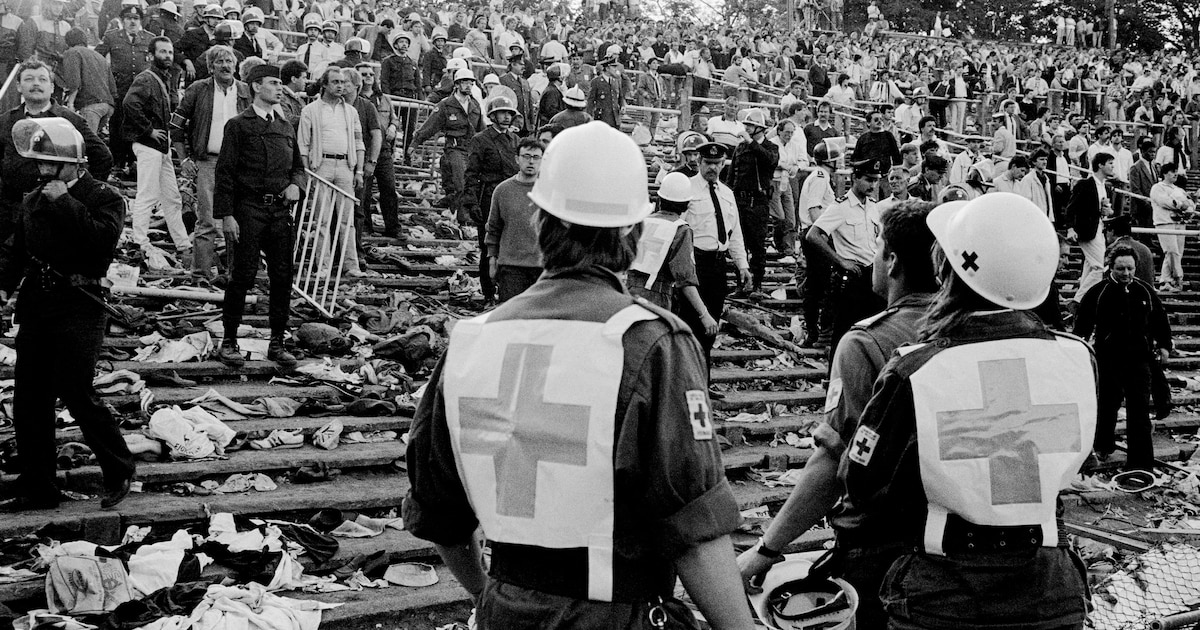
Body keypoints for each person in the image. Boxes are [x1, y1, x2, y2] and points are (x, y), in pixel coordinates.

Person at [404, 121, 754, 630]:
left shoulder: (470, 339)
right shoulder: (652, 342)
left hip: (506, 608)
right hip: (615, 613)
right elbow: (694, 530)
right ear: (633, 232)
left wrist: (489, 598)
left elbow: (438, 512)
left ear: (540, 219)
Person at [843, 193, 1094, 630]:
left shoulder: (915, 368)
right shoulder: (1079, 357)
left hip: (945, 595)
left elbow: (862, 483)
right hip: (1051, 593)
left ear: (946, 270)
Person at [737, 200, 938, 630]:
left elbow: (834, 462)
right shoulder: (972, 333)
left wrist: (767, 550)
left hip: (884, 554)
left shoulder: (867, 343)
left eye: (879, 245)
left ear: (894, 261)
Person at [0, 117, 134, 512]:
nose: (41, 171)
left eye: (48, 164)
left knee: (76, 391)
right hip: (39, 305)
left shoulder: (103, 197)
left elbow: (99, 246)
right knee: (30, 399)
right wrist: (3, 283)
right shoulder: (33, 198)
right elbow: (17, 248)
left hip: (80, 304)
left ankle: (119, 468)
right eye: (38, 164)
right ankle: (39, 487)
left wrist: (66, 202)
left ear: (73, 163)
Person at [213, 63, 304, 369]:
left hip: (279, 212)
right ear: (255, 87)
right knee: (242, 276)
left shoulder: (286, 126)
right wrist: (226, 215)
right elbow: (224, 173)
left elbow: (298, 168)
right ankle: (228, 342)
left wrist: (295, 186)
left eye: (281, 83)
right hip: (248, 210)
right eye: (274, 83)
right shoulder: (238, 125)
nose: (280, 88)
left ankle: (277, 343)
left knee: (281, 277)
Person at [1075, 244, 1171, 471]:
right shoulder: (1098, 292)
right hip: (1108, 360)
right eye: (1120, 269)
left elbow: (1160, 320)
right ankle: (1102, 446)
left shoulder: (1145, 291)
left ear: (1136, 267)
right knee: (1107, 406)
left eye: (1130, 268)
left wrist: (1165, 346)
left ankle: (1140, 463)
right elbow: (1083, 326)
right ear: (1111, 267)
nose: (1126, 273)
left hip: (1140, 360)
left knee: (1139, 412)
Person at [0, 60, 111, 244]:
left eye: (42, 79)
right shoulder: (5, 122)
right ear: (19, 86)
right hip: (11, 213)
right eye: (29, 79)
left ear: (52, 87)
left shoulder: (70, 120)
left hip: (53, 212)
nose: (36, 83)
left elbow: (103, 157)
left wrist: (80, 194)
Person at [172, 45, 249, 280]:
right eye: (219, 62)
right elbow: (176, 125)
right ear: (211, 66)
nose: (225, 65)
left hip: (240, 164)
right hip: (208, 162)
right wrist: (184, 157)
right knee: (206, 220)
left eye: (229, 61)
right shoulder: (198, 89)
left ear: (236, 66)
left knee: (238, 219)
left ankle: (236, 276)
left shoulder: (245, 91)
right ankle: (200, 275)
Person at [683, 140, 751, 375]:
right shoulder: (687, 189)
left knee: (711, 327)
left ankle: (704, 380)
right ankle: (689, 380)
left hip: (718, 265)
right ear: (699, 162)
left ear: (724, 164)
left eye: (717, 163)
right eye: (708, 163)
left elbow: (735, 233)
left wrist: (742, 265)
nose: (713, 168)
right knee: (693, 323)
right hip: (694, 263)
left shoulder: (727, 193)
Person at [806, 159, 887, 357]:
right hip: (852, 278)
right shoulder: (841, 206)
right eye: (868, 180)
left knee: (871, 336)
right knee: (843, 336)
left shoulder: (873, 206)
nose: (873, 185)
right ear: (855, 178)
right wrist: (840, 261)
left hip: (872, 276)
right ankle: (834, 382)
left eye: (876, 181)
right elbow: (813, 235)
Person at [124, 36, 192, 260]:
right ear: (151, 56)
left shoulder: (165, 78)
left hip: (160, 148)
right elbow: (129, 104)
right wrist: (148, 131)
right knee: (147, 194)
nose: (168, 56)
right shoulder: (146, 78)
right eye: (163, 52)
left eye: (170, 52)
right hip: (148, 145)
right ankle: (139, 241)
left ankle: (182, 243)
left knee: (172, 197)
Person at [298, 67, 366, 277]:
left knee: (348, 220)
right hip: (322, 166)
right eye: (335, 82)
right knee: (322, 220)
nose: (341, 86)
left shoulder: (351, 111)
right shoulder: (310, 110)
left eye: (343, 82)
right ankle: (324, 266)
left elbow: (358, 142)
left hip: (346, 166)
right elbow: (303, 144)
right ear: (324, 85)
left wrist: (359, 171)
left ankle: (351, 266)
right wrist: (307, 170)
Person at [629, 171, 711, 334]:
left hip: (629, 291)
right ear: (686, 203)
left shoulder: (643, 221)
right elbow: (685, 279)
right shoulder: (681, 230)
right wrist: (704, 314)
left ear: (661, 198)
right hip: (657, 297)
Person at [409, 68, 484, 224]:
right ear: (456, 84)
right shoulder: (446, 105)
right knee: (461, 183)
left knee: (472, 184)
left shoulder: (475, 104)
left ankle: (464, 215)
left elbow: (481, 129)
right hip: (454, 148)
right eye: (464, 82)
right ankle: (463, 218)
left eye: (471, 83)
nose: (468, 86)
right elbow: (430, 126)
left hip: (471, 149)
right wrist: (414, 144)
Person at [464, 93, 519, 303]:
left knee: (510, 246)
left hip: (511, 197)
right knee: (489, 248)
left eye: (508, 113)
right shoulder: (481, 140)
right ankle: (488, 293)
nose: (506, 117)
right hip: (488, 197)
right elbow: (470, 174)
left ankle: (507, 293)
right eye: (501, 113)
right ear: (492, 116)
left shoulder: (515, 140)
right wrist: (471, 202)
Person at [484, 137, 543, 302]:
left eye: (536, 157)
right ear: (517, 159)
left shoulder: (549, 191)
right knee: (511, 318)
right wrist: (492, 259)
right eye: (526, 156)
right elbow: (494, 228)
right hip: (511, 266)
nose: (531, 161)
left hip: (542, 266)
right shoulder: (503, 190)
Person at [729, 108, 778, 294]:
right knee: (739, 244)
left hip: (758, 202)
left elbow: (769, 161)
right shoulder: (741, 147)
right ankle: (740, 284)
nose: (746, 128)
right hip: (740, 201)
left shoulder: (771, 147)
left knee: (757, 246)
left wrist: (751, 143)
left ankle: (757, 285)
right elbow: (733, 174)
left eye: (750, 125)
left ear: (760, 128)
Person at [797, 140, 840, 349]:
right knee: (818, 286)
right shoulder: (820, 177)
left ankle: (816, 331)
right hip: (817, 235)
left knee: (819, 284)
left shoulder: (820, 177)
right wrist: (825, 235)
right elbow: (815, 211)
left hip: (816, 234)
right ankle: (814, 332)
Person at [342, 67, 381, 268]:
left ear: (356, 86)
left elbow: (376, 135)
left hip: (359, 166)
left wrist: (371, 162)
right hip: (339, 164)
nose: (341, 86)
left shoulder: (366, 106)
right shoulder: (335, 105)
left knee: (358, 211)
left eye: (345, 82)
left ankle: (356, 252)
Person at [357, 62, 400, 239]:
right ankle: (366, 226)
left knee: (389, 189)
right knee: (364, 192)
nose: (368, 77)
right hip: (364, 150)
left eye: (371, 74)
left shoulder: (384, 98)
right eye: (364, 74)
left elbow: (394, 118)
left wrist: (392, 127)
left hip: (384, 150)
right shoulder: (355, 99)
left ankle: (393, 227)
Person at [1068, 152, 1116, 302]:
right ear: (1100, 165)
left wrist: (1108, 212)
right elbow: (1071, 207)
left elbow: (1105, 211)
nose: (1113, 167)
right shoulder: (1084, 184)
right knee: (1101, 267)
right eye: (1110, 163)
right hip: (1087, 231)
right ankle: (1078, 301)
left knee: (1090, 268)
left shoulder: (1106, 187)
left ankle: (1084, 304)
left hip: (1100, 231)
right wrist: (1070, 228)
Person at [60, 29, 116, 136]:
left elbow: (74, 81)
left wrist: (70, 104)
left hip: (90, 105)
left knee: (85, 143)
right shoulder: (99, 56)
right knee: (95, 141)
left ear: (67, 42)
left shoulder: (72, 52)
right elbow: (112, 86)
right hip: (108, 105)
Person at [1150, 161, 1196, 293]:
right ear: (1164, 173)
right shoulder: (1158, 187)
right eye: (1172, 171)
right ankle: (1174, 278)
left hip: (1180, 224)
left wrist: (1189, 206)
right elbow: (1165, 202)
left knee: (1177, 253)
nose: (1175, 174)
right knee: (1171, 251)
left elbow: (1190, 204)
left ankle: (1166, 280)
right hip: (1165, 223)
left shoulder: (1178, 189)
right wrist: (1181, 205)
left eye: (1176, 171)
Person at [1128, 138, 1157, 230]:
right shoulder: (1135, 167)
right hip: (1141, 205)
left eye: (1154, 152)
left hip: (1152, 203)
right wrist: (1146, 202)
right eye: (1150, 152)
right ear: (1142, 151)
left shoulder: (1153, 166)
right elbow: (1135, 189)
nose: (1153, 154)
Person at [588, 55, 623, 129]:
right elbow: (590, 101)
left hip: (615, 118)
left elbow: (620, 97)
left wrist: (622, 106)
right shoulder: (596, 82)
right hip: (602, 118)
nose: (615, 69)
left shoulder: (616, 81)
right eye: (613, 67)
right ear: (607, 68)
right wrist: (589, 116)